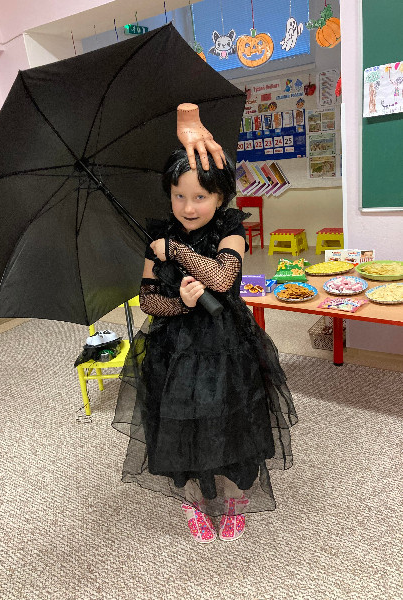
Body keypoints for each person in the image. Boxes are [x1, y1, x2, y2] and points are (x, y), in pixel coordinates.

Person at [113, 147, 297, 543]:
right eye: (178, 195)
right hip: (174, 345)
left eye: (200, 197)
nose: (188, 207)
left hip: (225, 340)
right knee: (181, 418)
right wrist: (182, 303)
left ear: (220, 197)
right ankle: (193, 499)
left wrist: (177, 251)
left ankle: (233, 496)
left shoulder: (230, 228)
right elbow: (148, 299)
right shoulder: (157, 237)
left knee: (229, 414)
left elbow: (223, 277)